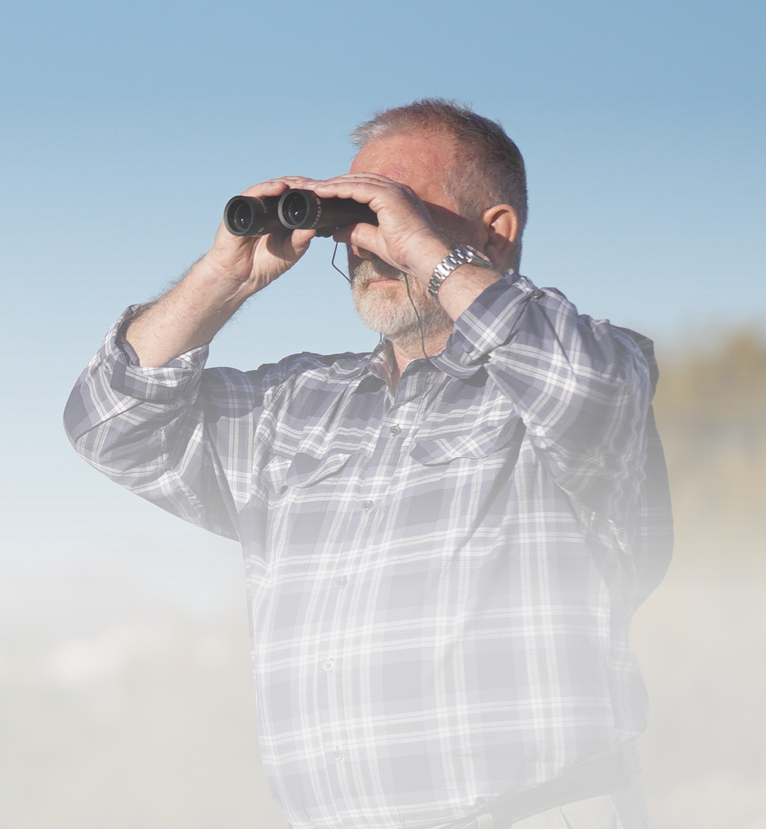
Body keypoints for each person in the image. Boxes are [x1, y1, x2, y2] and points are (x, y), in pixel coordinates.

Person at [64, 99, 672, 829]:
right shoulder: (293, 404)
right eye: (348, 215)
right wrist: (223, 276)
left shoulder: (573, 375)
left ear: (496, 231)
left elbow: (584, 384)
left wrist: (430, 252)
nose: (365, 240)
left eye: (394, 209)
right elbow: (107, 422)